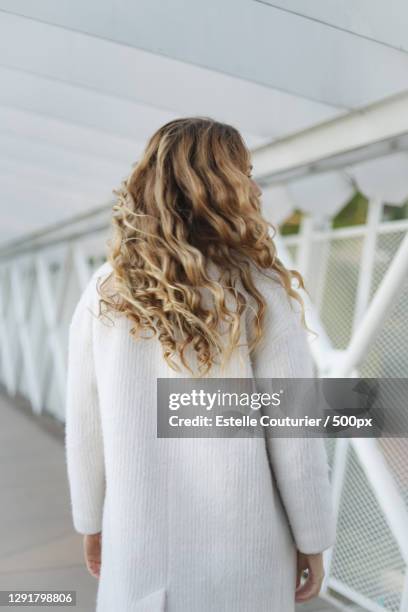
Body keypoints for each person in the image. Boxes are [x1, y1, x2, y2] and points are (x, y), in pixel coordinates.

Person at [65, 117, 336, 612]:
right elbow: (295, 433)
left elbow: (85, 423)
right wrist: (314, 538)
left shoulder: (106, 290)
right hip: (245, 560)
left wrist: (90, 521)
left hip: (139, 550)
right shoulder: (258, 290)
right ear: (218, 183)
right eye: (245, 170)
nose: (255, 185)